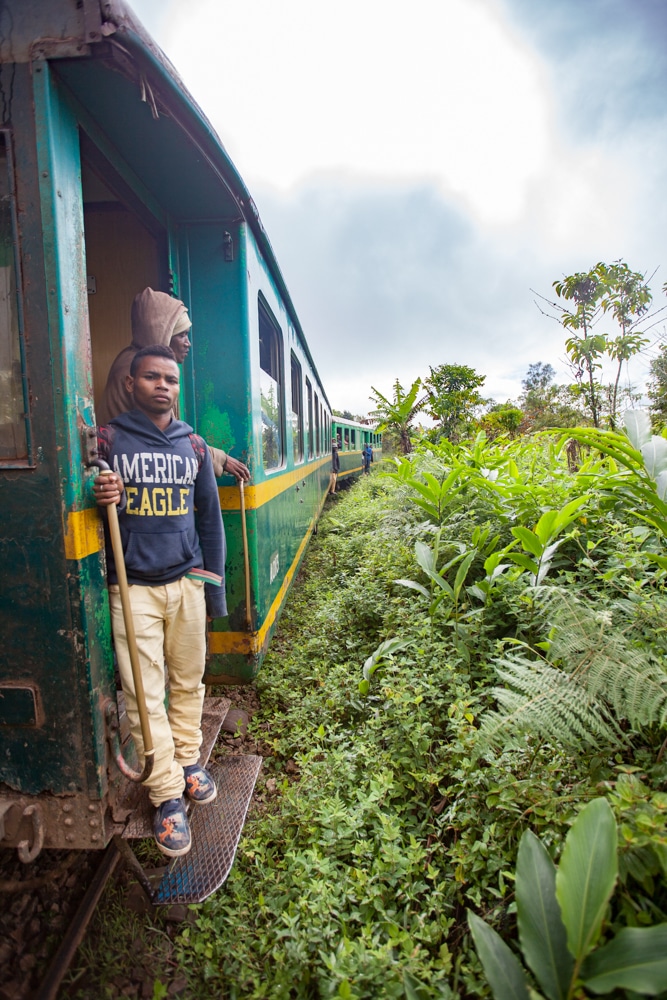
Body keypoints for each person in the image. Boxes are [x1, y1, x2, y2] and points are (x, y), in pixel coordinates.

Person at [94, 344, 226, 858]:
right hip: (133, 589)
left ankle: (190, 760)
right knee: (144, 697)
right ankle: (167, 794)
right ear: (131, 383)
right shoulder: (107, 441)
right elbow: (85, 496)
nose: (163, 386)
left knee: (188, 680)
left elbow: (210, 522)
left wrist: (211, 593)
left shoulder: (193, 446)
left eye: (170, 379)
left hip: (187, 582)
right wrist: (98, 490)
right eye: (152, 377)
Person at [99, 287, 250, 482]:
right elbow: (170, 440)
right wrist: (220, 458)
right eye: (182, 335)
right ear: (162, 335)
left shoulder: (133, 362)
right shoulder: (137, 370)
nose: (188, 343)